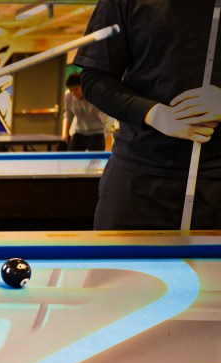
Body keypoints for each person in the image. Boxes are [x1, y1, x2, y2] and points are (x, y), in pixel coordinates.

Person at [73, 0, 221, 230]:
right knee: (115, 266)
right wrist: (153, 114)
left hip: (216, 179)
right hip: (138, 177)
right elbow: (95, 80)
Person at [61, 71, 114, 152]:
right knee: (70, 157)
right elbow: (68, 115)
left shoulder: (96, 97)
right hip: (80, 132)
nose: (74, 93)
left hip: (98, 133)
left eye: (76, 89)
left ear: (84, 86)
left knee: (98, 160)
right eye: (71, 90)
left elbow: (108, 123)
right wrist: (65, 133)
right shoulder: (68, 96)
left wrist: (108, 149)